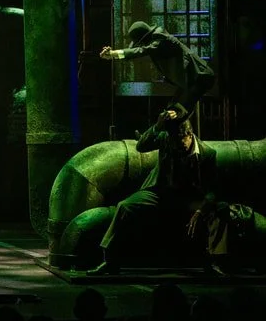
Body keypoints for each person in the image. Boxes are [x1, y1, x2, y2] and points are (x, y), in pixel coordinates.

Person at [88, 109, 228, 276]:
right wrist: (157, 126)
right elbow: (141, 146)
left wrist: (200, 210)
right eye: (173, 142)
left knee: (220, 209)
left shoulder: (207, 155)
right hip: (159, 192)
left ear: (189, 135)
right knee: (125, 206)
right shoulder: (166, 139)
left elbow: (212, 190)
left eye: (179, 141)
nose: (176, 146)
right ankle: (110, 261)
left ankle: (215, 263)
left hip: (189, 198)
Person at [101, 21, 215, 117]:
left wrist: (114, 53)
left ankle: (184, 141)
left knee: (176, 112)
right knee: (171, 110)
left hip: (200, 76)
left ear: (145, 39)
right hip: (190, 80)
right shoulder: (155, 42)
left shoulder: (161, 39)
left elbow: (142, 51)